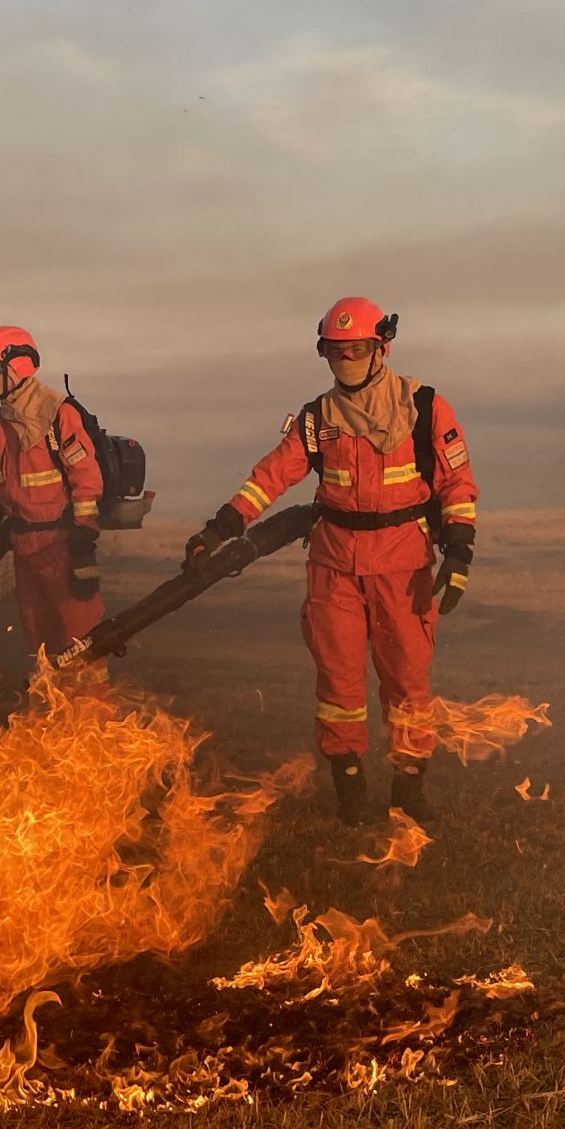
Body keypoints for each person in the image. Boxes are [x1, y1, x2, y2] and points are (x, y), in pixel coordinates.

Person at [183, 297, 478, 823]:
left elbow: (456, 484)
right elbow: (270, 476)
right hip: (333, 569)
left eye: (356, 349)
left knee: (407, 681)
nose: (345, 361)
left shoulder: (425, 407)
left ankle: (408, 791)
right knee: (339, 685)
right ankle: (349, 793)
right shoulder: (316, 419)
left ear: (381, 348)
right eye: (333, 351)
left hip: (403, 567)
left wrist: (459, 554)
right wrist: (220, 527)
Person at [0, 325, 105, 670]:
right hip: (25, 550)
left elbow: (86, 481)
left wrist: (83, 547)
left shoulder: (58, 413)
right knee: (41, 648)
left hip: (62, 547)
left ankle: (94, 719)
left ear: (17, 365)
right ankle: (51, 719)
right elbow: (3, 490)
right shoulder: (0, 422)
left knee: (82, 647)